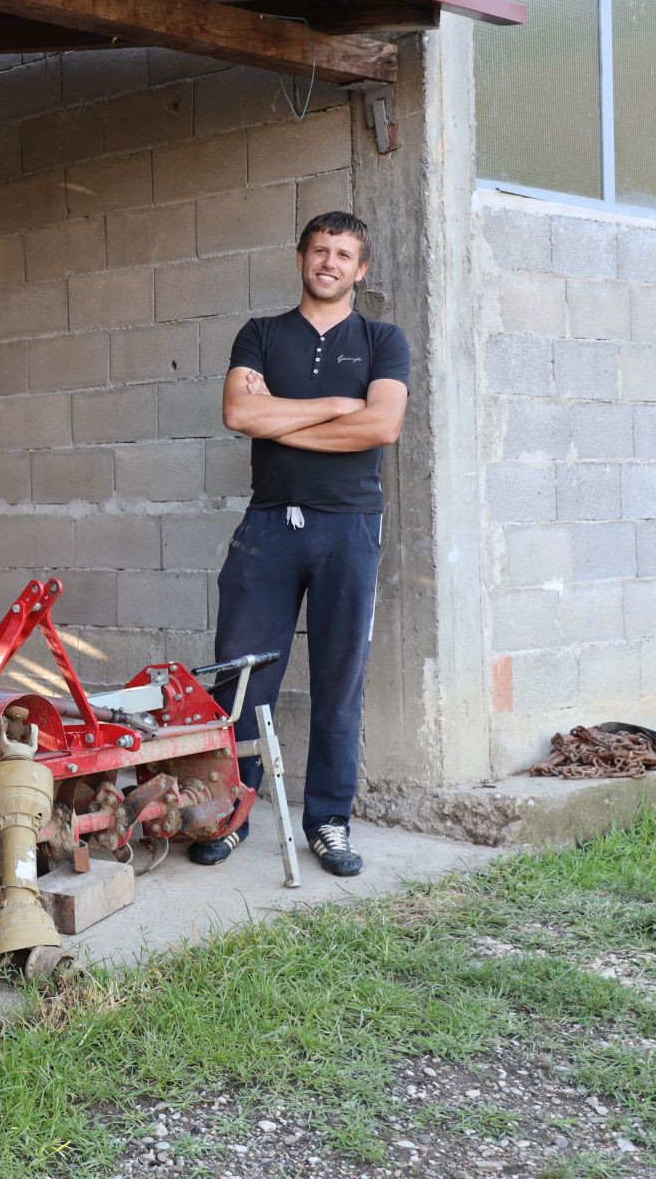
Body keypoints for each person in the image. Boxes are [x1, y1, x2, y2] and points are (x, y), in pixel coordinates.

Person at [195, 212, 409, 878]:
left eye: (344, 254)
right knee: (241, 676)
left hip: (349, 528)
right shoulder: (260, 334)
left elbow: (384, 426)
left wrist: (282, 416)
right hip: (268, 526)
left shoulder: (382, 339)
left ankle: (328, 821)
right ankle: (229, 813)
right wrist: (338, 406)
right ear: (300, 258)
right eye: (321, 250)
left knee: (339, 680)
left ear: (360, 269)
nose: (330, 262)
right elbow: (238, 414)